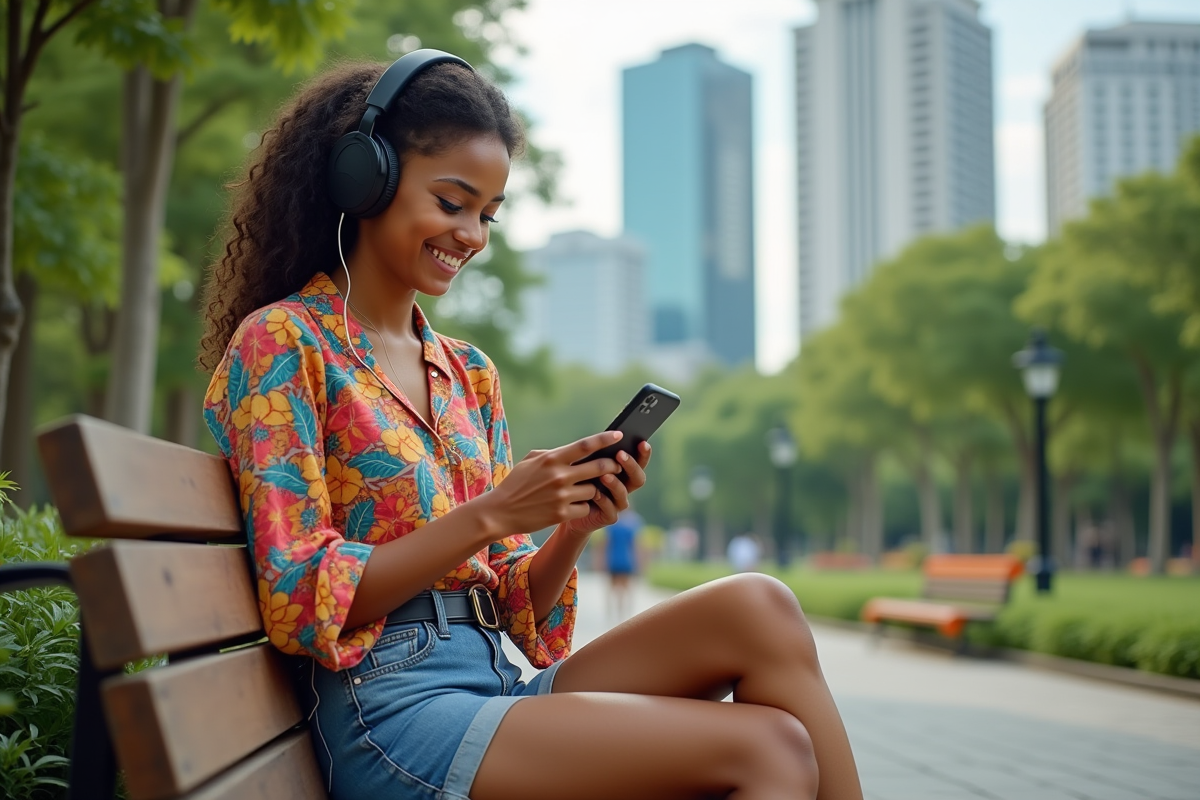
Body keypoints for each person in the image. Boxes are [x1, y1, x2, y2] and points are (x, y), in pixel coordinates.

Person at [199, 50, 863, 800]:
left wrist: (573, 522)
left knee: (759, 606)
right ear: (366, 176)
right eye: (451, 203)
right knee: (771, 749)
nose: (472, 236)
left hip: (493, 685)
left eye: (487, 213)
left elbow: (518, 610)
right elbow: (298, 596)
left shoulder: (468, 372)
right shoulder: (286, 344)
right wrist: (492, 513)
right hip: (390, 715)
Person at [605, 505, 642, 622]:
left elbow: (606, 543)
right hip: (626, 559)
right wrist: (639, 561)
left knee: (613, 588)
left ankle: (613, 614)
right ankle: (624, 614)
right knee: (626, 588)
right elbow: (635, 545)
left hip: (614, 559)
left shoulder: (611, 522)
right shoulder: (633, 522)